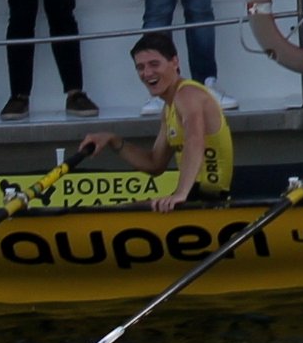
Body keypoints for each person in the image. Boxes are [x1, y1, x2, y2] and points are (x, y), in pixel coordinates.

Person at [77, 33, 233, 212]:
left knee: (118, 214)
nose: (147, 73)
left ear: (175, 62)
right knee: (119, 211)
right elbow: (154, 164)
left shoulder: (187, 94)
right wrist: (112, 139)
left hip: (211, 200)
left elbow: (195, 140)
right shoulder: (168, 109)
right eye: (140, 67)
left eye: (154, 64)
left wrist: (180, 194)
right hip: (194, 197)